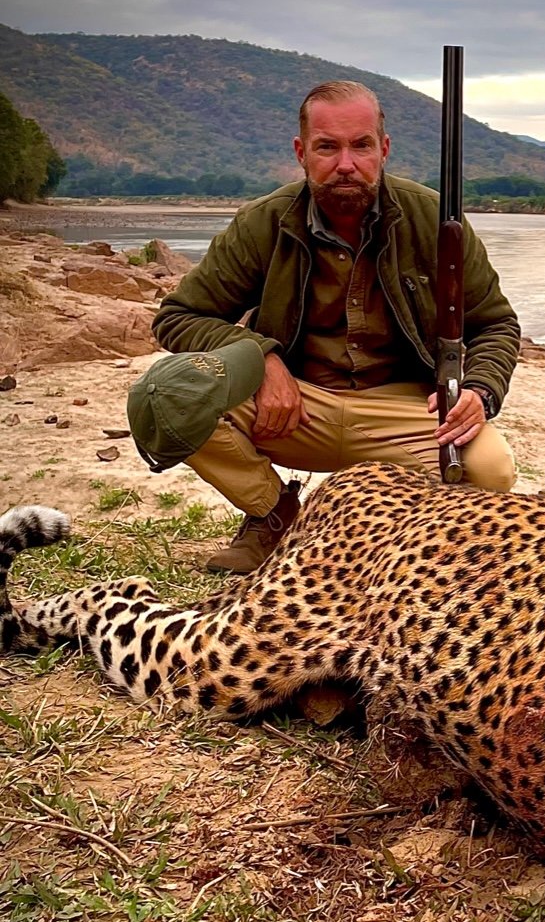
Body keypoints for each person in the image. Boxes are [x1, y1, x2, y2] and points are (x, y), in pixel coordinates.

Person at [134, 79, 520, 573]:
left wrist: (480, 392)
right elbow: (179, 317)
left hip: (402, 406)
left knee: (492, 469)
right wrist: (262, 358)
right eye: (327, 147)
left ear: (383, 149)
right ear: (301, 152)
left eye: (360, 146)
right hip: (296, 406)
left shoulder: (434, 218)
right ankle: (274, 516)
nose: (345, 164)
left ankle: (406, 537)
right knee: (166, 398)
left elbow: (494, 324)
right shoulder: (263, 221)